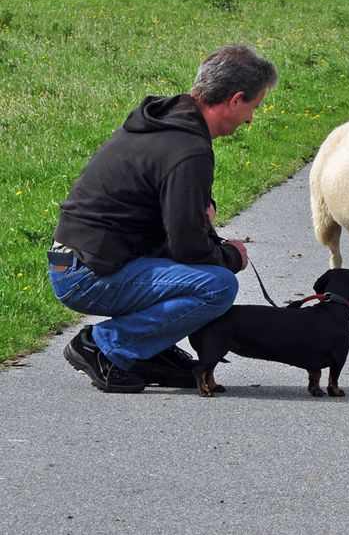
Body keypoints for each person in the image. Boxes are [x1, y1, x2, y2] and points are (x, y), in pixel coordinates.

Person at [48, 44, 278, 393]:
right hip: (86, 275)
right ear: (235, 99)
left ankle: (147, 350)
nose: (250, 119)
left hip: (72, 259)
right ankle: (105, 345)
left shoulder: (163, 122)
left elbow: (160, 197)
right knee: (217, 285)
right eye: (252, 108)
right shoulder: (189, 149)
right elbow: (187, 246)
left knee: (201, 272)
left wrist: (200, 204)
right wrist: (231, 256)